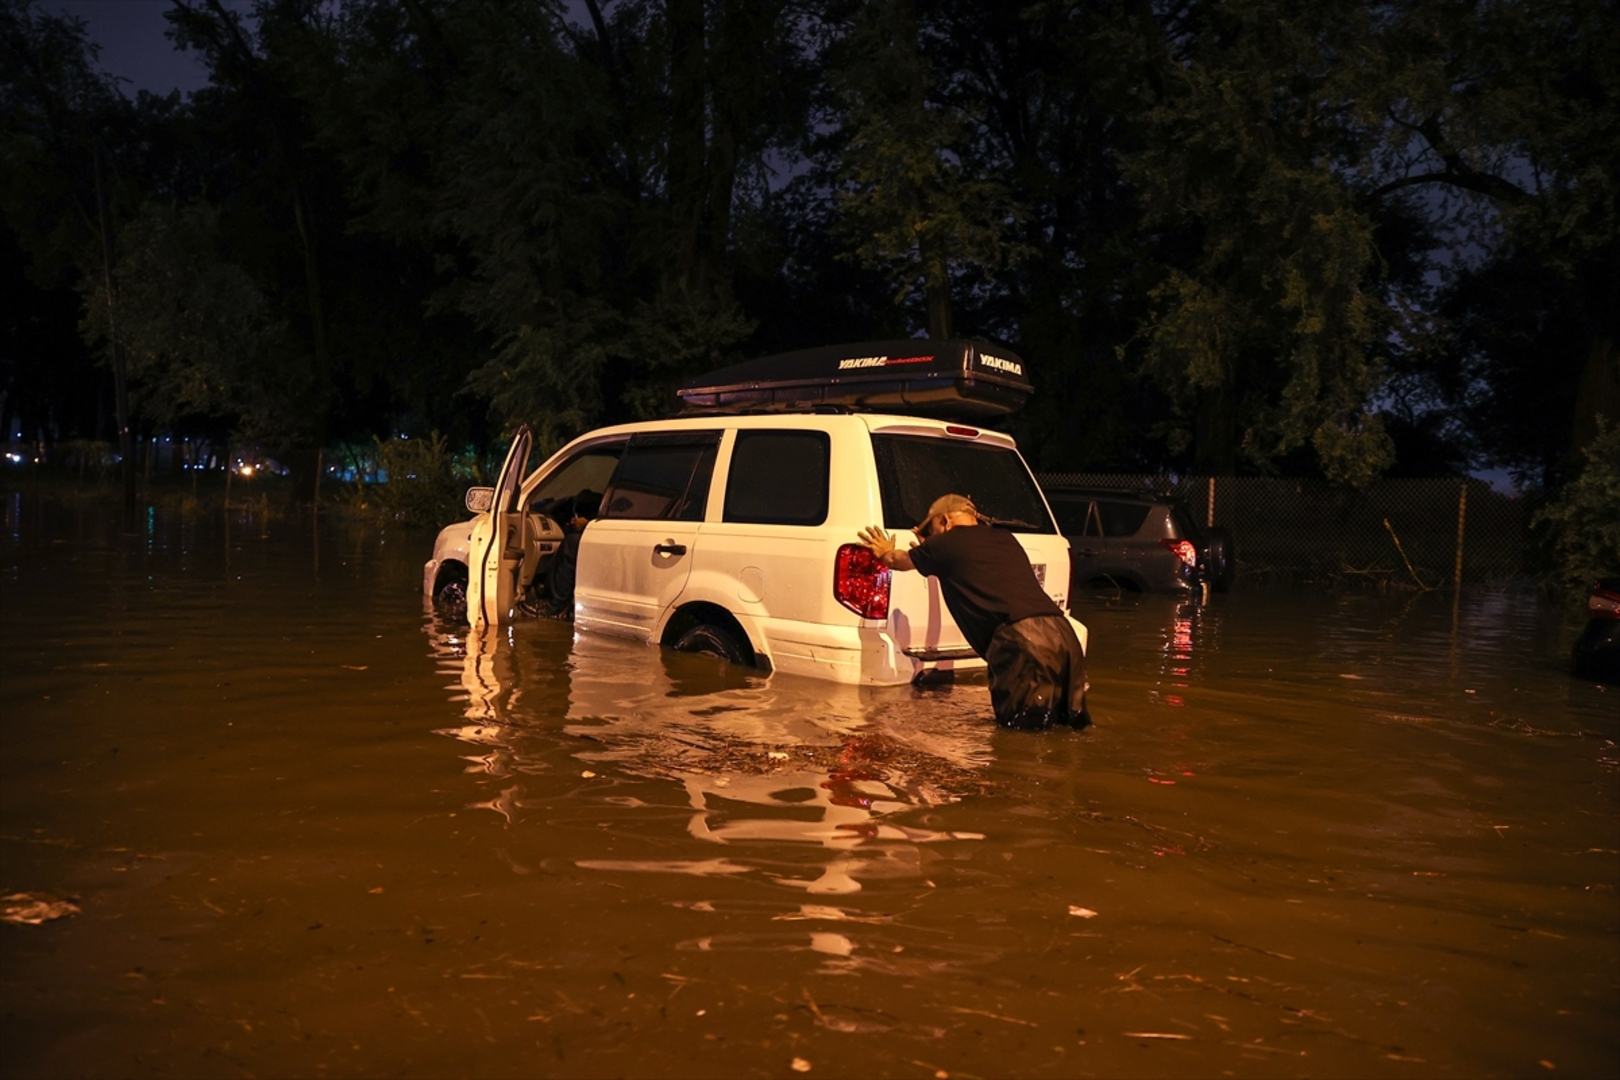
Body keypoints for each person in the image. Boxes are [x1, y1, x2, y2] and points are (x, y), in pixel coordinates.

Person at [858, 494, 1090, 730]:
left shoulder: (944, 545)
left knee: (1020, 738)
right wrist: (931, 552)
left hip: (1024, 642)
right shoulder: (1004, 538)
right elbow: (968, 566)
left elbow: (896, 560)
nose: (928, 538)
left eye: (930, 530)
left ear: (945, 521)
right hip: (1063, 635)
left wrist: (885, 550)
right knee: (1071, 728)